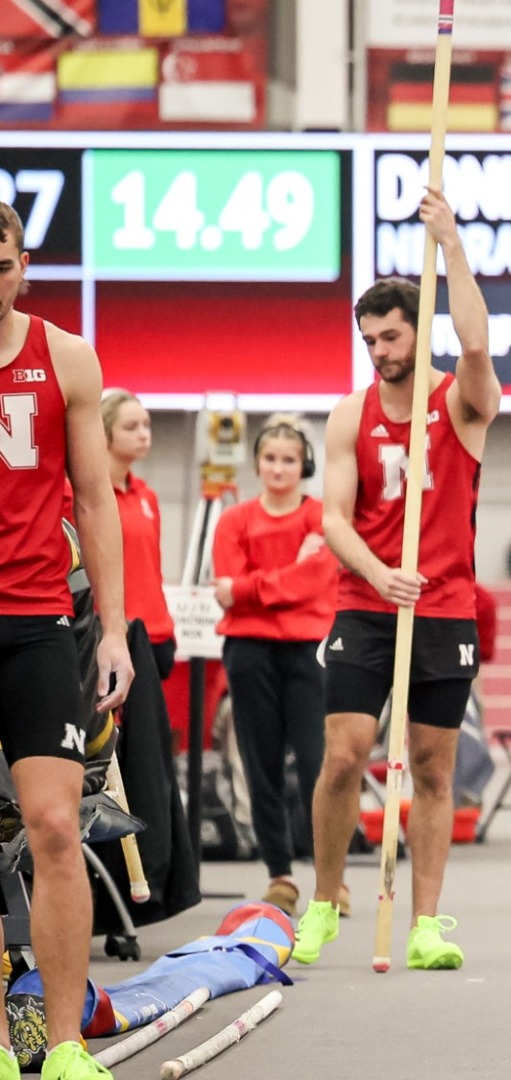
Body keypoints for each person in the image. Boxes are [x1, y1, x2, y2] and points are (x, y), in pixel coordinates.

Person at [292, 187, 500, 972]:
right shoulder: (350, 414)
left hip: (445, 608)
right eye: (369, 339)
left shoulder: (462, 404)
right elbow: (333, 519)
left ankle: (427, 922)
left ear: (419, 331)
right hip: (368, 603)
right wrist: (380, 572)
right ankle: (324, 900)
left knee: (435, 765)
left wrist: (450, 244)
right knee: (345, 753)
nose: (379, 350)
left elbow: (476, 347)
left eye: (390, 335)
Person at [0, 200, 136, 1080]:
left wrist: (115, 629)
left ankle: (63, 1045)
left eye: (0, 258)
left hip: (37, 621)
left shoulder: (66, 357)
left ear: (19, 262)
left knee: (54, 825)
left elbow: (95, 498)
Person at [212, 419, 337, 916]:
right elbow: (224, 584)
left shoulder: (322, 519)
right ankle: (279, 873)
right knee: (260, 762)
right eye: (270, 459)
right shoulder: (235, 520)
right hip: (248, 650)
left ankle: (331, 876)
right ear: (258, 463)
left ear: (304, 464)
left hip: (307, 648)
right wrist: (288, 575)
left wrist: (250, 589)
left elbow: (314, 583)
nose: (279, 468)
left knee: (318, 764)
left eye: (289, 459)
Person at [101, 389, 176, 679]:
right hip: (113, 631)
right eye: (131, 427)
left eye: (146, 425)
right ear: (104, 433)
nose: (143, 434)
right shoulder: (77, 496)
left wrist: (167, 625)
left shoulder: (147, 496)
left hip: (156, 633)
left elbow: (152, 568)